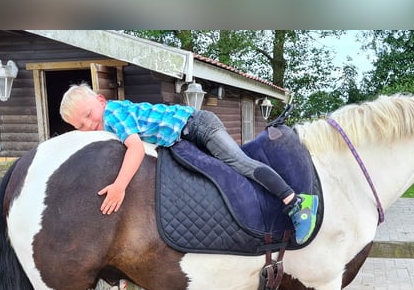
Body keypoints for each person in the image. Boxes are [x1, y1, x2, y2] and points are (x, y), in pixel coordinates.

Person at [59, 83, 319, 244]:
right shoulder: (109, 117)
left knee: (239, 164)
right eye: (81, 126)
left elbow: (135, 149)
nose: (90, 124)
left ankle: (296, 202)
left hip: (197, 125)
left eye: (90, 115)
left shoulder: (113, 114)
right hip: (185, 133)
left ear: (101, 102)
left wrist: (119, 186)